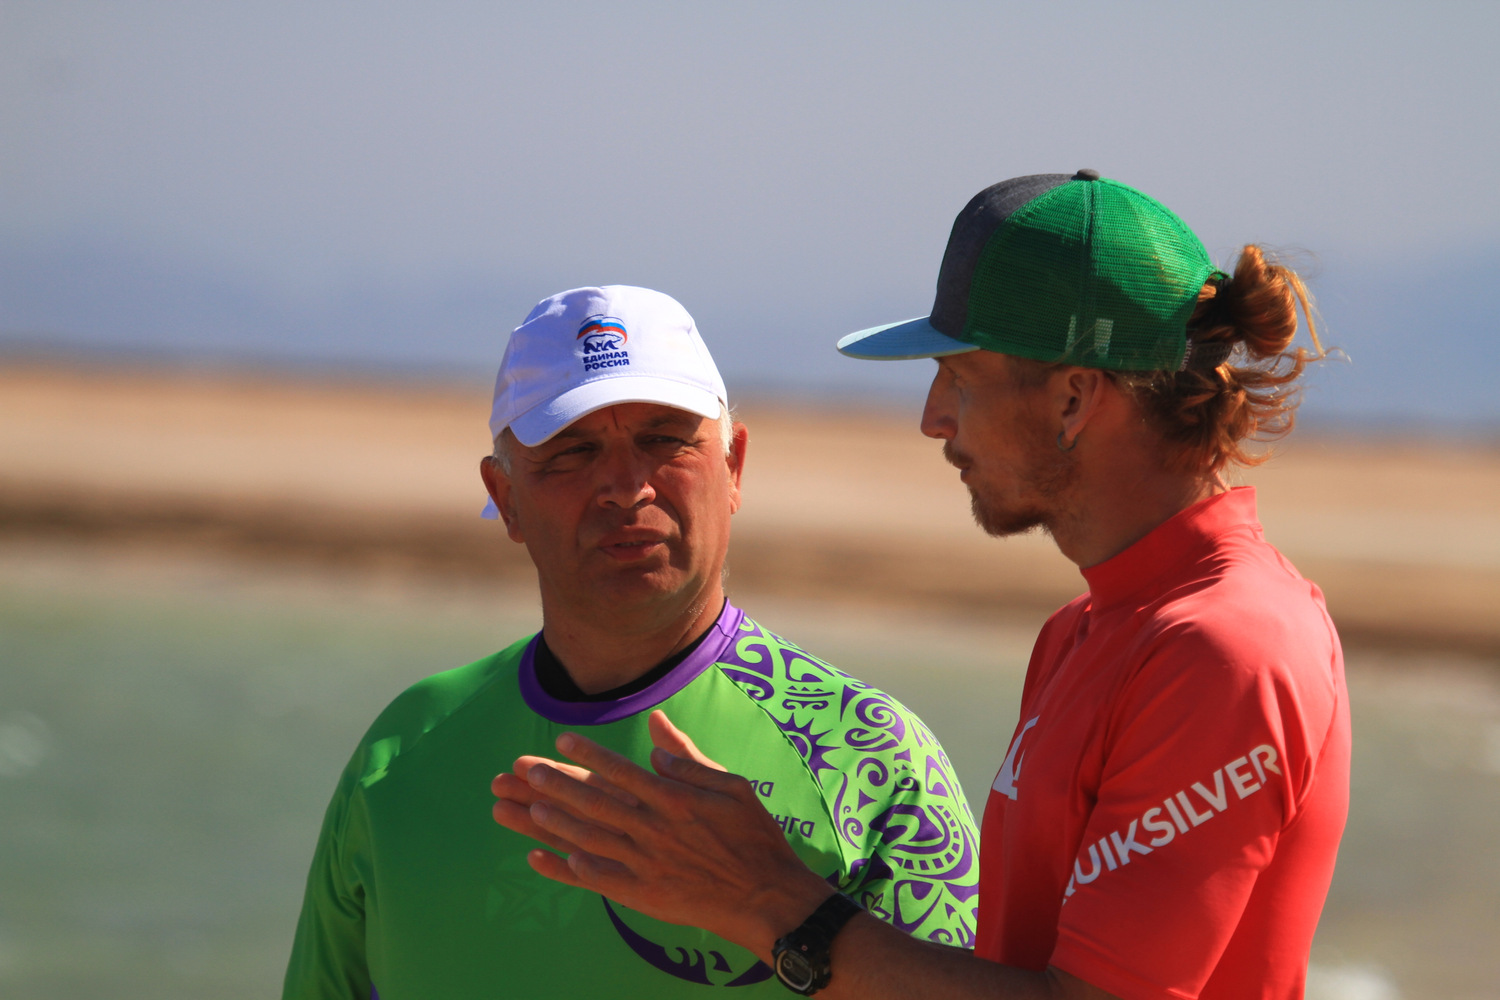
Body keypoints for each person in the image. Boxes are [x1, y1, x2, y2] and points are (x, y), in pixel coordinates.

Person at [493, 175, 1351, 1000]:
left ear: (1074, 398)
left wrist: (766, 900)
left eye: (960, 378)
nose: (932, 417)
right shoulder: (1087, 628)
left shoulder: (1226, 649)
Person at [282, 284, 980, 999]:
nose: (625, 486)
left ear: (734, 466)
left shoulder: (870, 755)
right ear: (506, 496)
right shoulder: (403, 752)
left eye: (664, 439)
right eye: (573, 451)